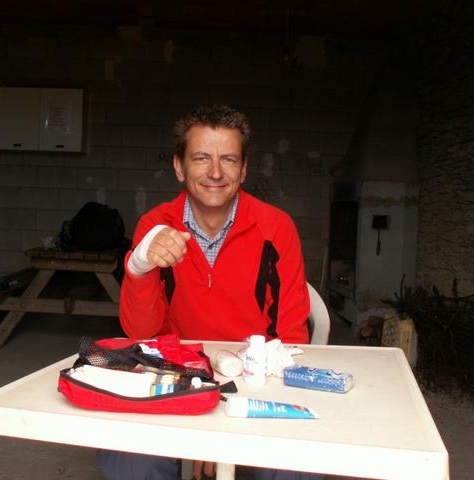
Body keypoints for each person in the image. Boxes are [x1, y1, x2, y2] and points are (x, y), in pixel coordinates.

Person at [96, 105, 316, 480]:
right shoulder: (156, 226)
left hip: (256, 378)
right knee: (132, 459)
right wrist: (139, 267)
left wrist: (221, 429)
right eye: (201, 158)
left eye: (228, 159)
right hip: (174, 377)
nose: (215, 172)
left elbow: (291, 337)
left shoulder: (276, 228)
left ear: (243, 169)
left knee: (299, 465)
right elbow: (141, 335)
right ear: (179, 167)